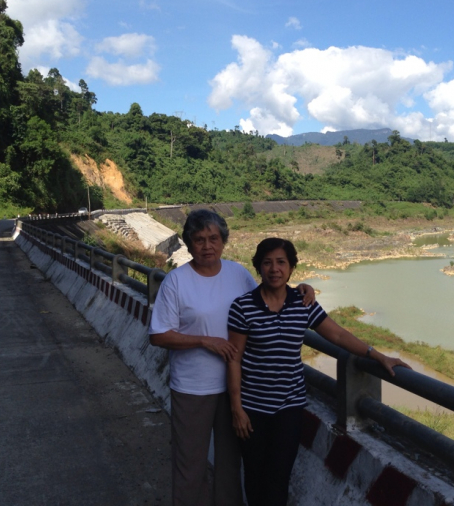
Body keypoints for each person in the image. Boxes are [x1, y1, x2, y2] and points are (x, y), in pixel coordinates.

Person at [227, 237, 411, 506]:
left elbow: (336, 334)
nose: (274, 269)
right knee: (255, 475)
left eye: (281, 262)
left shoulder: (303, 303)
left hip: (289, 408)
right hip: (252, 408)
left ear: (291, 268)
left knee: (279, 478)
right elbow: (234, 359)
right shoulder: (242, 307)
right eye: (267, 263)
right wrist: (236, 408)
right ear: (258, 267)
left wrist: (377, 355)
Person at [149, 211, 316, 506]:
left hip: (237, 391)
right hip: (193, 388)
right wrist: (203, 340)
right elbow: (158, 335)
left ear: (224, 242)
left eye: (213, 239)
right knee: (190, 465)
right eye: (198, 240)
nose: (207, 246)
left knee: (230, 465)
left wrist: (302, 289)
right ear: (188, 244)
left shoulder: (237, 274)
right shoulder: (176, 282)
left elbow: (269, 294)